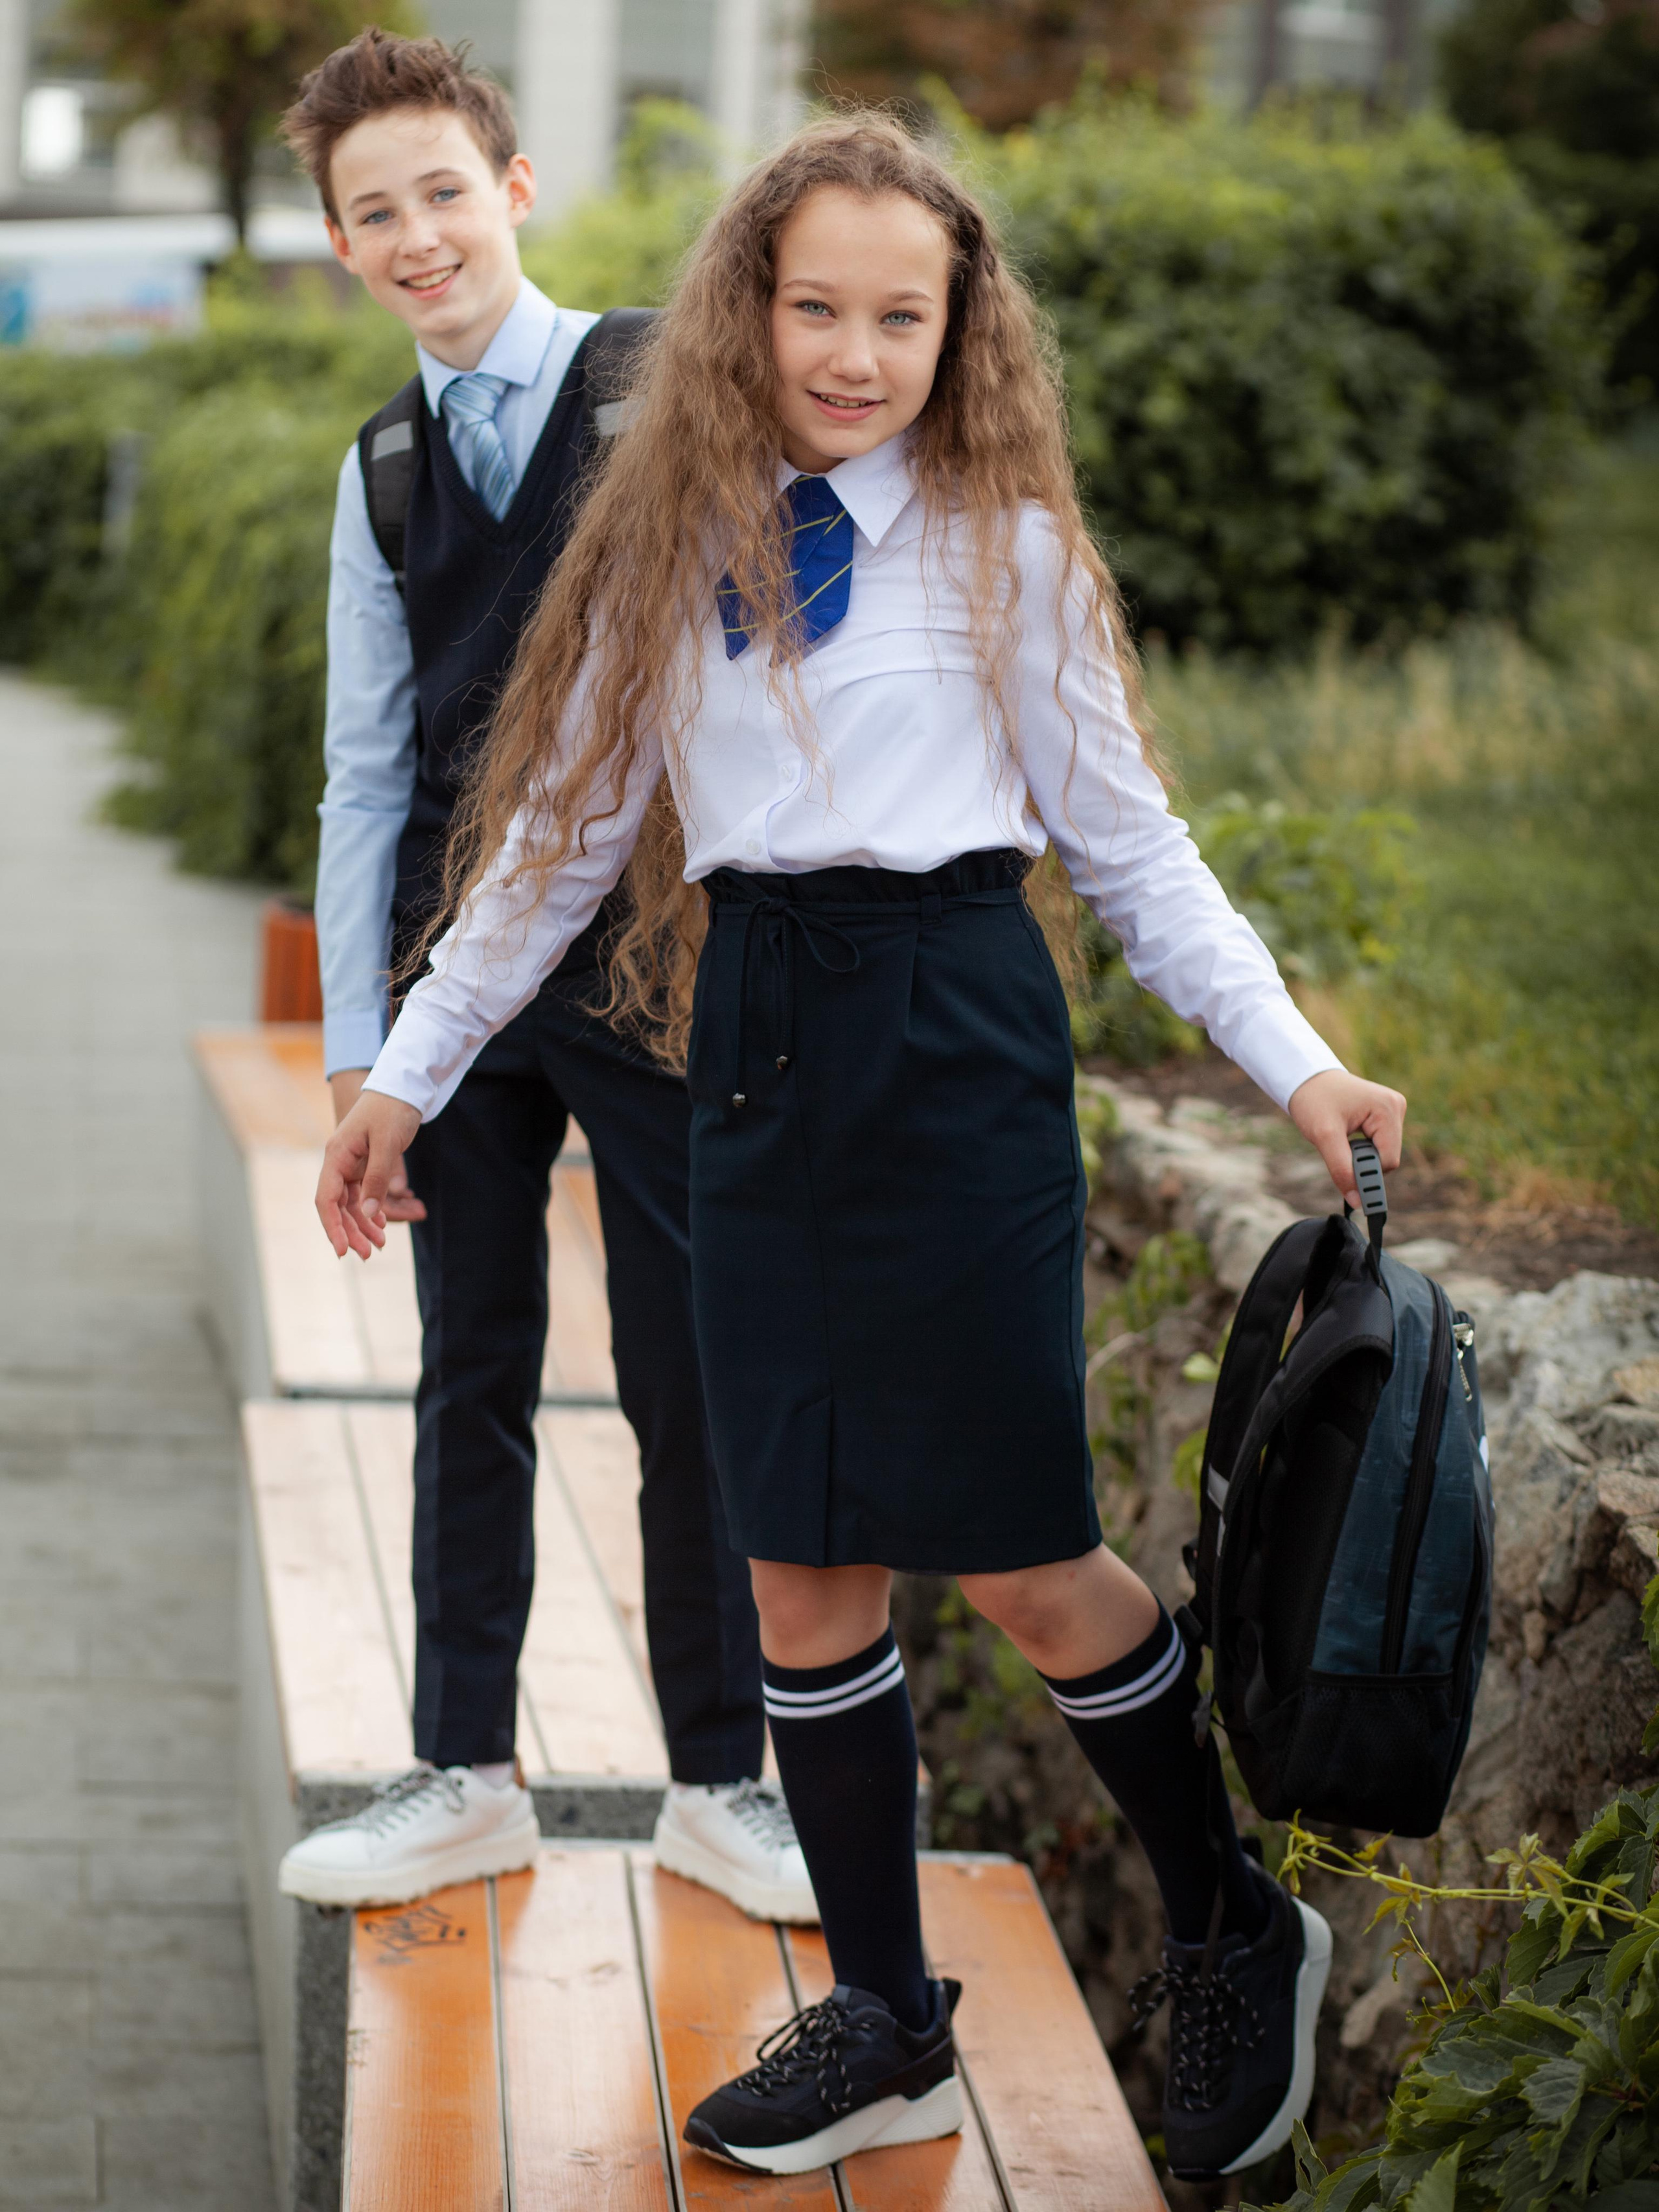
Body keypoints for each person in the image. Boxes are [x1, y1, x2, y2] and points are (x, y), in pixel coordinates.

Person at [314, 115, 1408, 2182]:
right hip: (754, 1048)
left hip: (955, 1036)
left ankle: (1228, 1920)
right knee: (797, 1563)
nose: (852, 351)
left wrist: (1303, 1068)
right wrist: (405, 1076)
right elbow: (550, 851)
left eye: (900, 317)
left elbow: (1134, 852)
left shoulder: (1008, 550)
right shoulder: (664, 544)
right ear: (745, 312)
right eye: (814, 306)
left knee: (1021, 1559)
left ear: (957, 331)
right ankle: (891, 2019)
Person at [272, 29, 813, 1925]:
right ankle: (464, 1773)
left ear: (512, 189)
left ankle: (724, 1783)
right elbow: (362, 772)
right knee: (470, 1366)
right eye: (374, 213)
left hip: (650, 963)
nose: (417, 236)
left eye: (443, 191)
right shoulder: (380, 469)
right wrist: (361, 1054)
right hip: (451, 987)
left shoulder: (663, 385)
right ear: (340, 245)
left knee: (689, 1371)